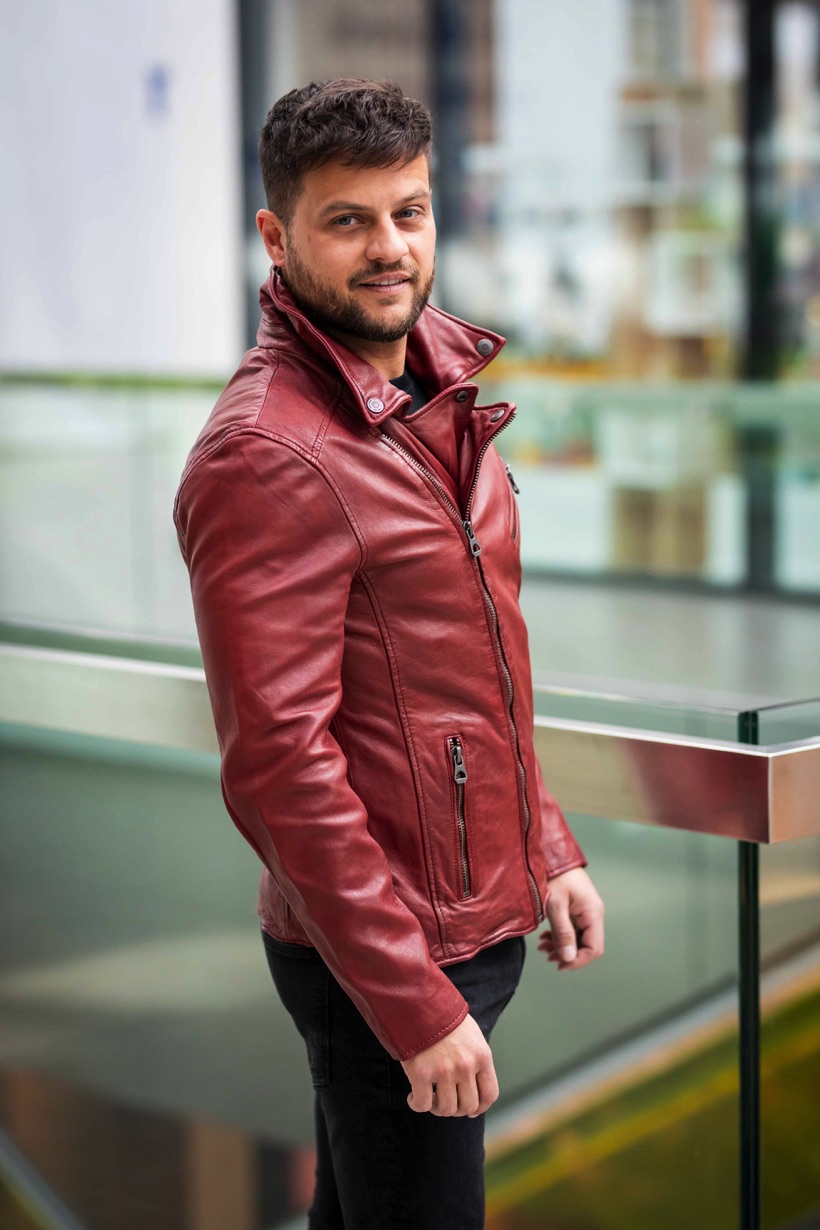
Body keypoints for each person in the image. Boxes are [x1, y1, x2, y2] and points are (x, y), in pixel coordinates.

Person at [174, 78, 604, 1230]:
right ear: (277, 237)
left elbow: (467, 667)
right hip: (388, 954)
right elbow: (279, 763)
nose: (389, 247)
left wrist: (543, 844)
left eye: (407, 212)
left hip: (454, 917)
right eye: (347, 220)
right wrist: (410, 1002)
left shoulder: (429, 389)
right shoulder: (268, 454)